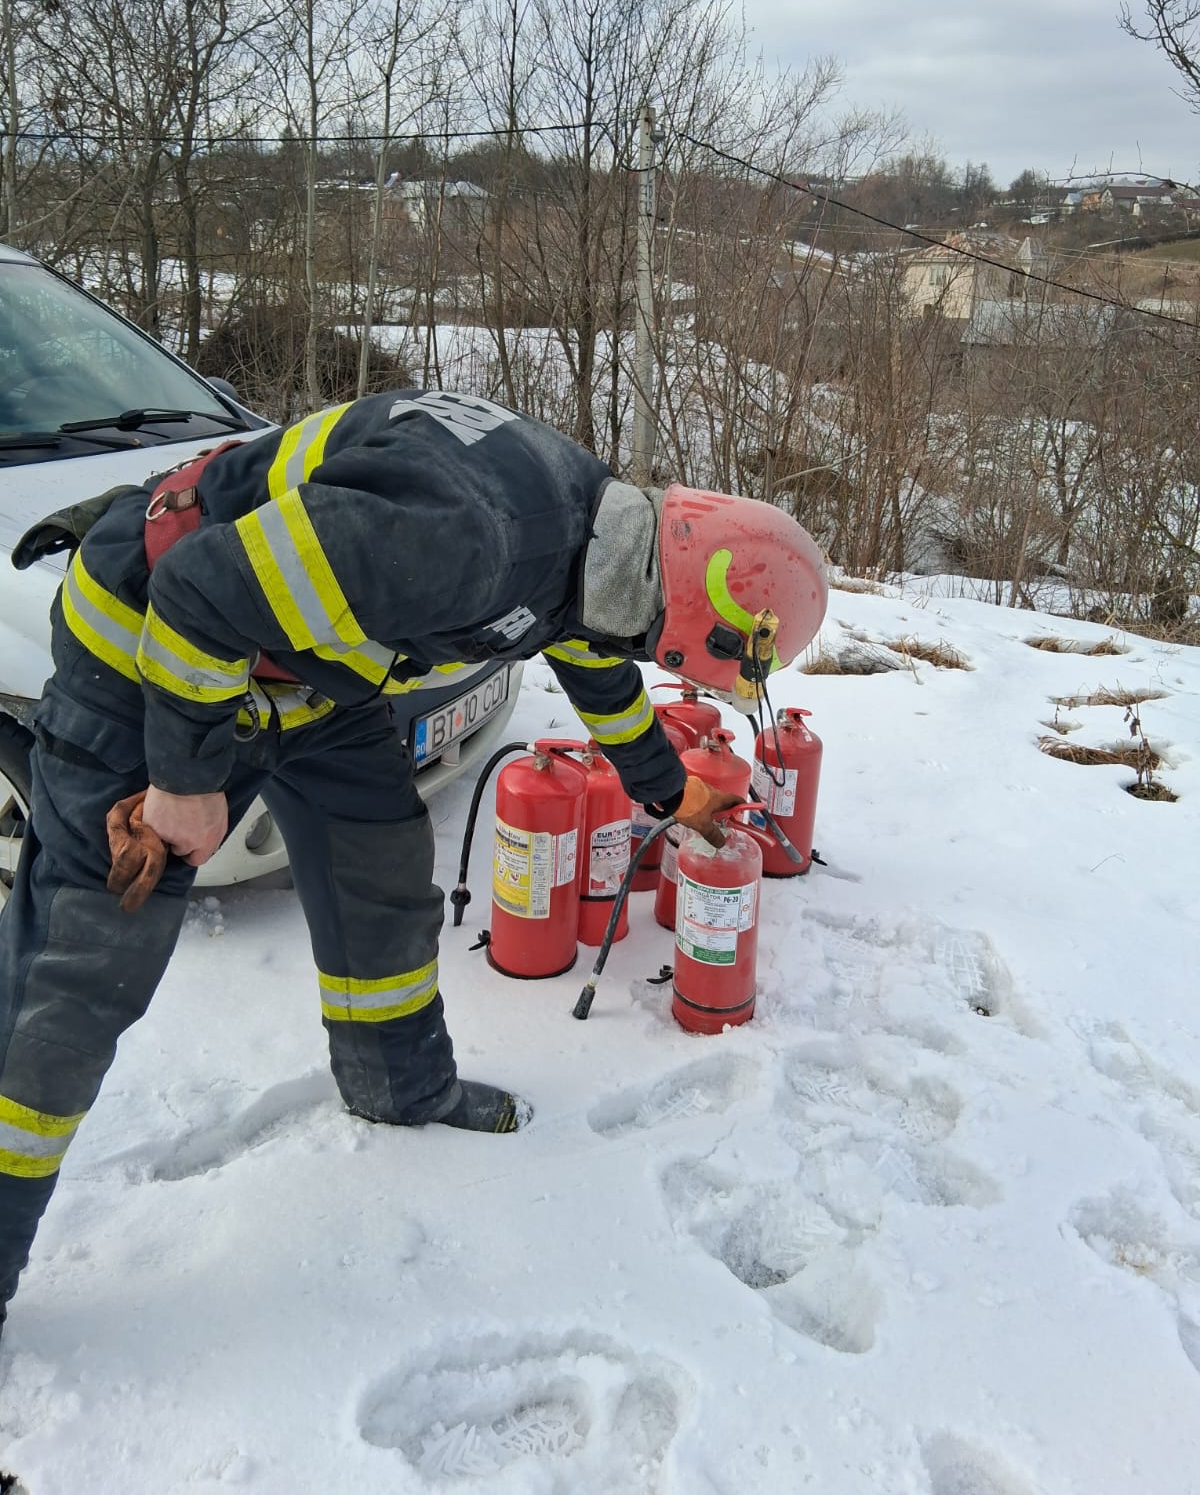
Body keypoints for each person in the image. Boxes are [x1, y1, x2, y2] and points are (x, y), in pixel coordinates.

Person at [0, 389, 827, 1340]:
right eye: (686, 663)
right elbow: (199, 589)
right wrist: (185, 782)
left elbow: (586, 649)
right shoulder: (470, 537)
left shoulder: (594, 534)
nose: (671, 671)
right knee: (81, 976)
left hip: (300, 682)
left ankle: (401, 1088)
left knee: (380, 873)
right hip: (152, 660)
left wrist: (667, 789)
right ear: (694, 615)